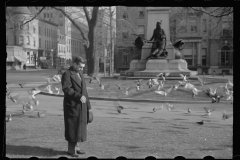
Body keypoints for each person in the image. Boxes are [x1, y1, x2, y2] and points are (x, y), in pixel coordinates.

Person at [61, 56, 91, 157]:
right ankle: (71, 150)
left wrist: (88, 106)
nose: (82, 69)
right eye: (80, 67)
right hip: (72, 105)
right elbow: (67, 89)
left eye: (83, 67)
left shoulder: (80, 74)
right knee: (72, 128)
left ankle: (77, 148)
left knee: (80, 128)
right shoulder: (67, 74)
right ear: (75, 64)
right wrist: (78, 97)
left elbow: (84, 91)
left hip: (81, 105)